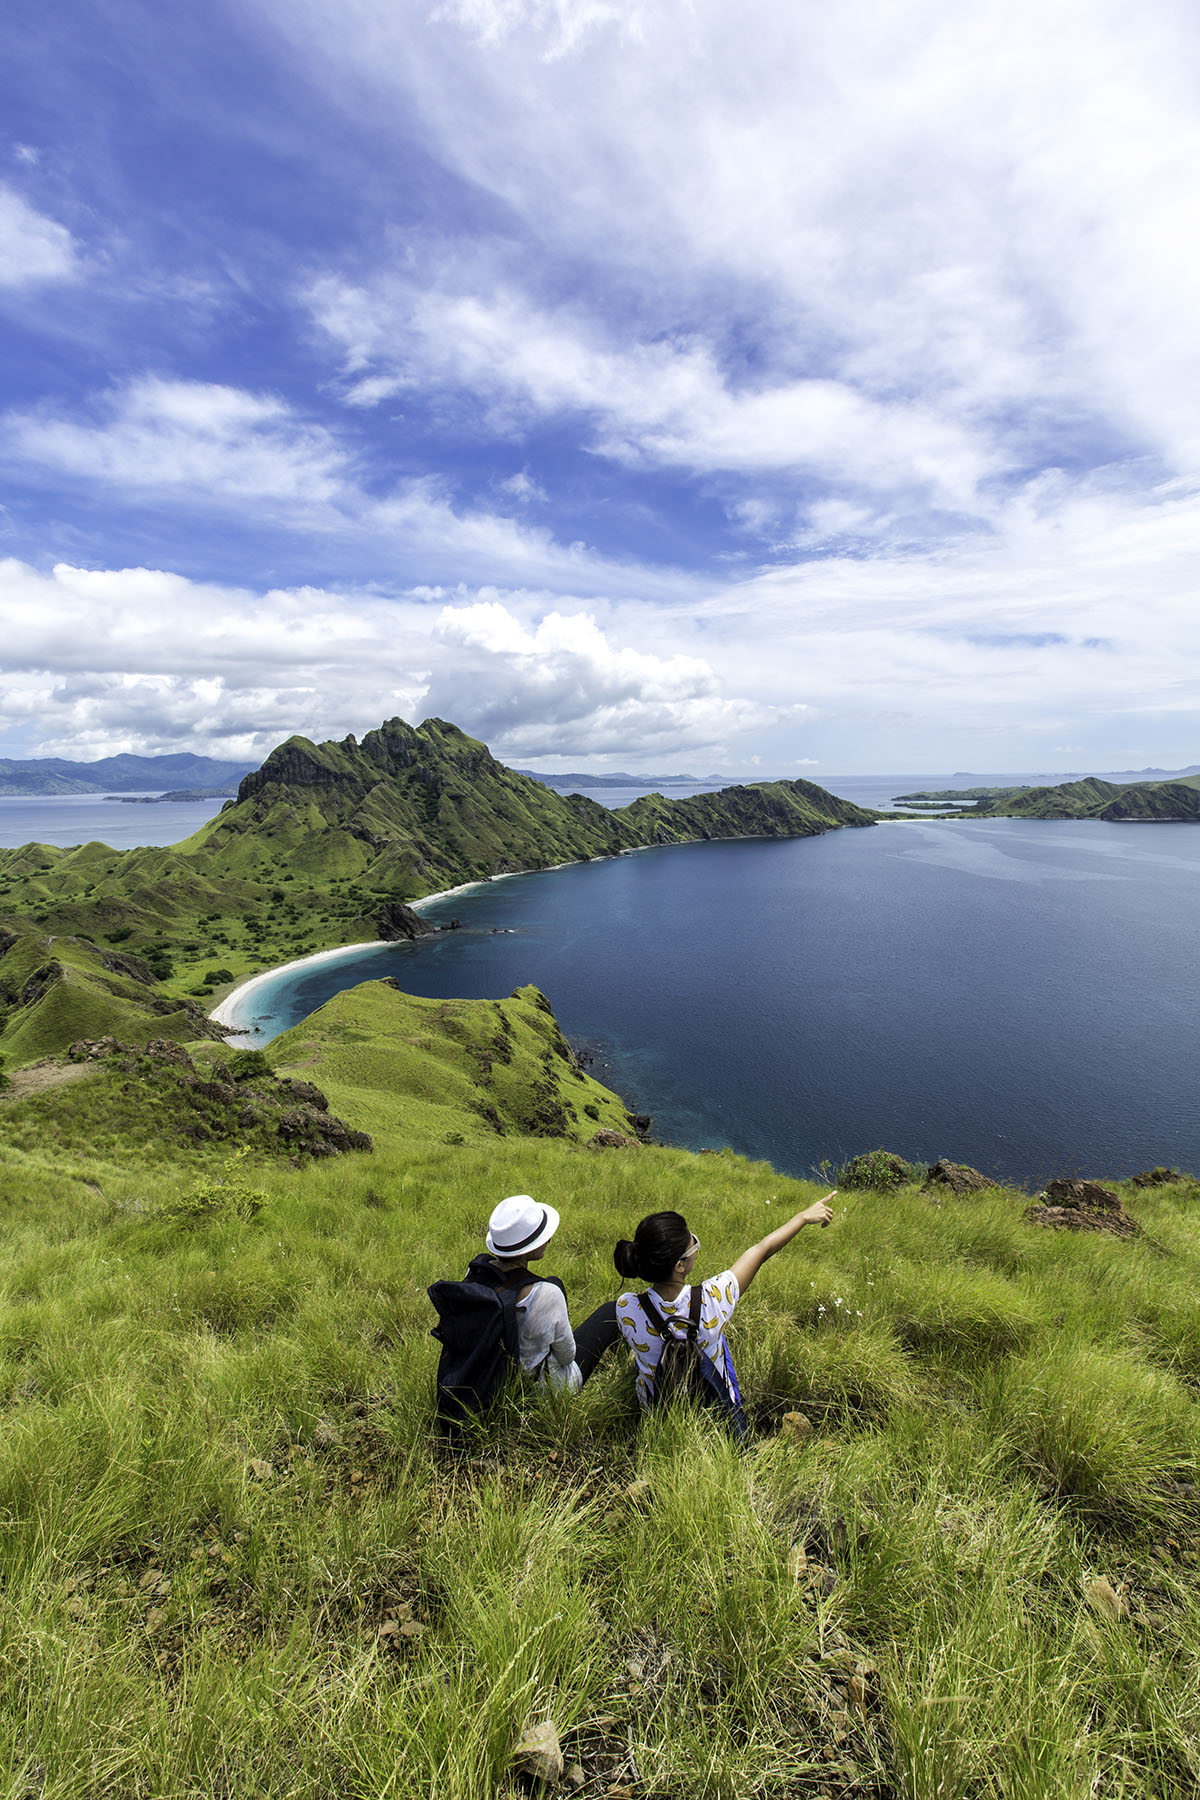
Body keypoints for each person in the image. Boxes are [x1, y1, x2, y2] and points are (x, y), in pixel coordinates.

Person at [613, 1192, 837, 1411]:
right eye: (693, 1245)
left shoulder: (626, 1307)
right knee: (719, 1341)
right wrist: (802, 1217)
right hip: (711, 1411)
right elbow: (761, 1251)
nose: (695, 1245)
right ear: (679, 1266)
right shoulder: (714, 1297)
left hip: (656, 1411)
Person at [481, 1194, 620, 1392]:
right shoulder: (546, 1295)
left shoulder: (475, 1274)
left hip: (483, 1382)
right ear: (529, 1248)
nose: (549, 1240)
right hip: (537, 1392)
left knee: (555, 1281)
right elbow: (567, 1356)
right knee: (611, 1310)